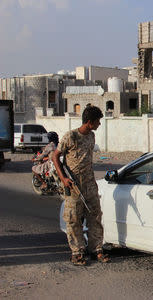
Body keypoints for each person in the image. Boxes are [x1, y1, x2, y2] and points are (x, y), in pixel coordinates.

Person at [52, 105, 110, 266]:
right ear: (90, 122)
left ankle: (96, 249)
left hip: (90, 184)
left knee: (95, 216)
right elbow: (55, 157)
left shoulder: (91, 136)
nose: (99, 124)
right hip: (73, 185)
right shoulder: (70, 137)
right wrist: (63, 179)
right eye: (98, 121)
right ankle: (77, 252)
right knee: (74, 219)